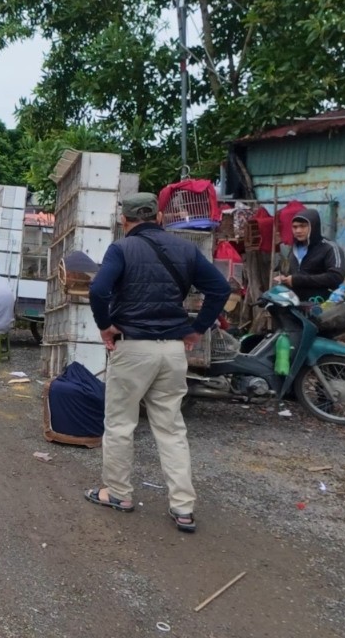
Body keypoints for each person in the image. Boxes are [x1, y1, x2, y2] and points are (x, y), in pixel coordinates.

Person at [84, 193, 230, 534]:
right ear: (160, 217)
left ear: (124, 220)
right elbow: (220, 289)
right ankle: (183, 507)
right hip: (173, 351)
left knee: (120, 423)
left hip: (133, 348)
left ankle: (118, 493)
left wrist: (105, 326)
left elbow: (99, 290)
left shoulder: (121, 249)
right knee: (171, 428)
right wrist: (197, 328)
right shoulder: (186, 249)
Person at [274, 208, 345, 303]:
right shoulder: (294, 249)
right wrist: (285, 279)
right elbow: (294, 273)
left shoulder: (330, 248)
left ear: (313, 226)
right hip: (297, 304)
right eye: (295, 227)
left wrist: (297, 280)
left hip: (322, 304)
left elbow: (336, 277)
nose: (298, 230)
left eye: (303, 226)